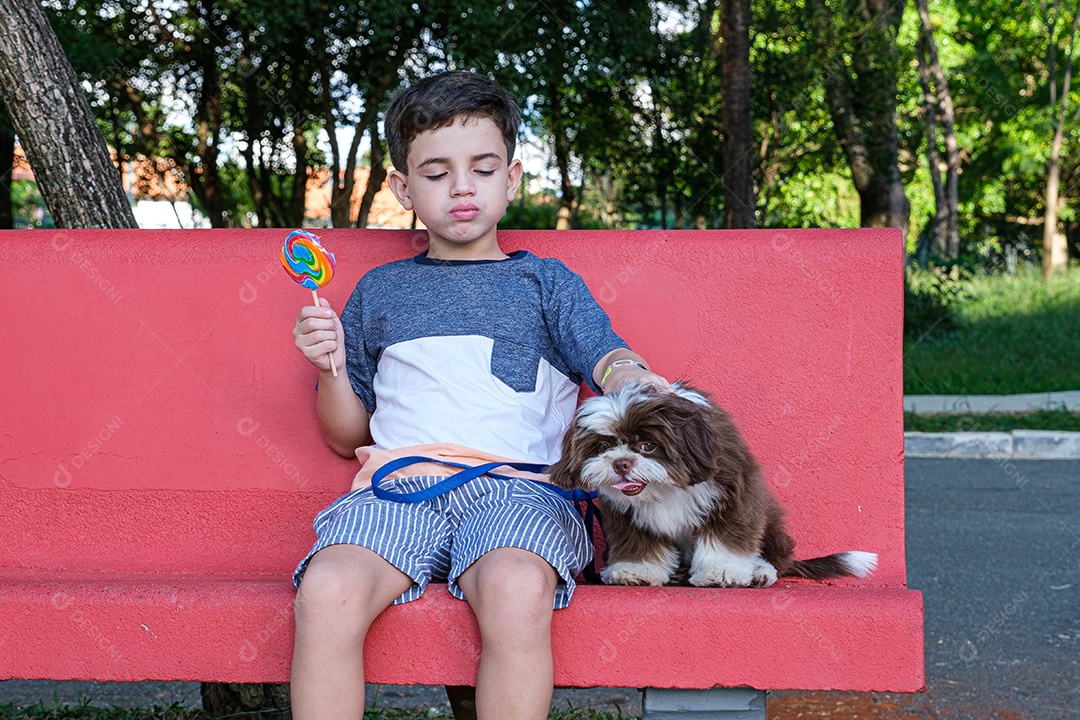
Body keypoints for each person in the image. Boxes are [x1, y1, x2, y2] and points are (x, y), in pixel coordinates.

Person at [290, 70, 668, 720]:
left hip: (520, 491)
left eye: (482, 168)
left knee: (517, 588)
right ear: (402, 188)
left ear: (512, 177)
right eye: (436, 174)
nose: (461, 187)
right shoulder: (380, 292)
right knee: (327, 591)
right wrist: (328, 367)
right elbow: (345, 436)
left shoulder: (546, 283)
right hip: (399, 490)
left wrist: (631, 378)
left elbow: (605, 355)